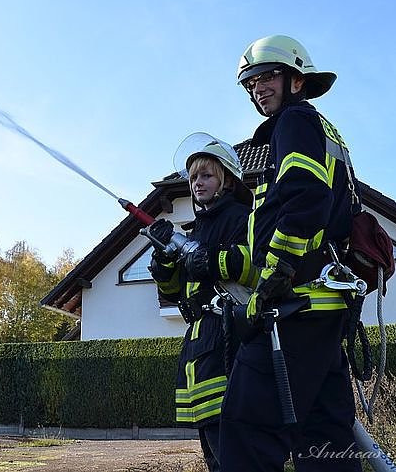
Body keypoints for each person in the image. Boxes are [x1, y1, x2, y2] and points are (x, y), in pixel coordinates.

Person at [183, 35, 363, 471]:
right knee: (326, 437)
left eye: (267, 77)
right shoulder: (320, 127)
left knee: (246, 427)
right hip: (325, 304)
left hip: (296, 304)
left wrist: (272, 279)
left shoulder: (295, 121)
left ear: (296, 80)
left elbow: (304, 200)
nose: (258, 88)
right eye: (250, 83)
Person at [147, 134, 253, 472]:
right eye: (193, 177)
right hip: (201, 344)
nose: (197, 183)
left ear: (225, 178)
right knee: (213, 445)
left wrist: (213, 260)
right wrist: (163, 259)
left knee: (234, 447)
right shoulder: (197, 230)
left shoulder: (242, 217)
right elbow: (174, 290)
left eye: (205, 175)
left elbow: (256, 264)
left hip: (229, 338)